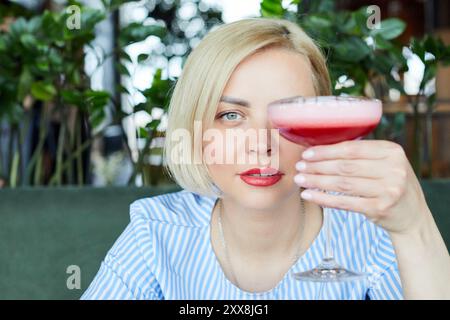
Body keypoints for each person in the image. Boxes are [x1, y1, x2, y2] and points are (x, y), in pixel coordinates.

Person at [81, 17, 450, 300]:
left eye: (286, 113)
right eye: (231, 116)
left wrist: (414, 225)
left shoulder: (369, 229)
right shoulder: (156, 232)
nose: (261, 145)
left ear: (323, 122)